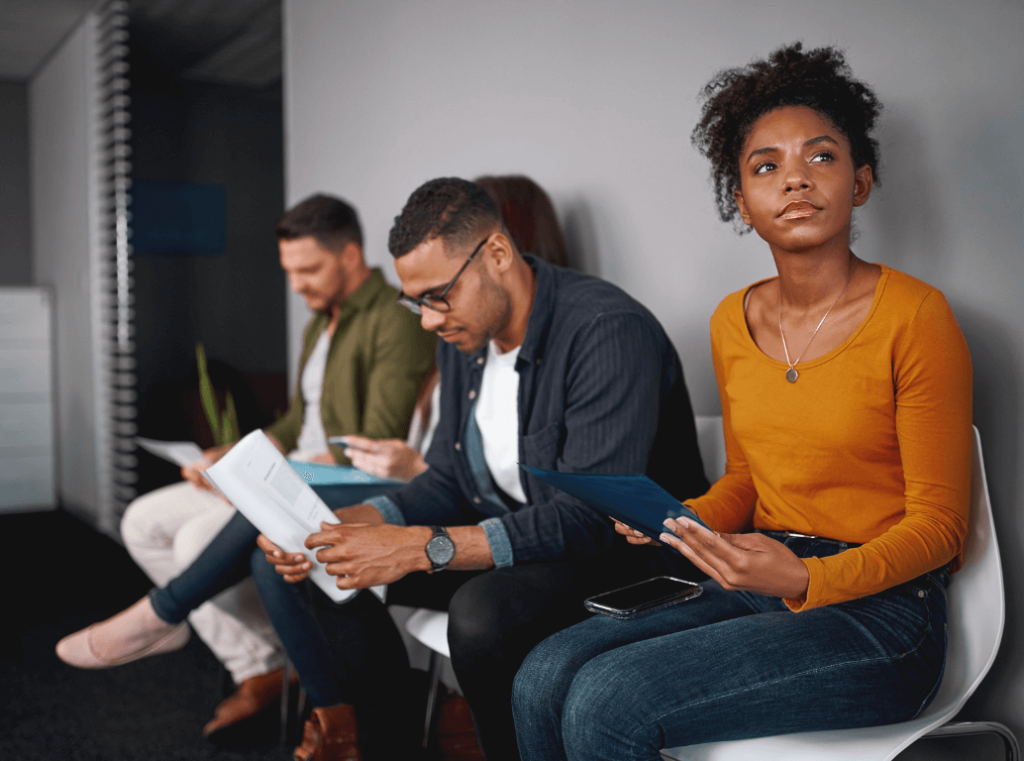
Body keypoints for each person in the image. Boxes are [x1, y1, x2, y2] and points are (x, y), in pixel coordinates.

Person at [511, 42, 973, 761]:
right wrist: (685, 522)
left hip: (884, 614)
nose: (795, 180)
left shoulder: (916, 316)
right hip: (759, 575)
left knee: (609, 700)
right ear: (741, 200)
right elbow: (748, 480)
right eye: (767, 167)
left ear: (861, 181)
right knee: (541, 674)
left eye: (820, 157)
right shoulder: (732, 320)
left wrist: (808, 577)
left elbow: (942, 528)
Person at [258, 176, 709, 760]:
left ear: (497, 253)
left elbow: (589, 518)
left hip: (624, 558)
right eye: (415, 300)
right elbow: (447, 476)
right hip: (524, 544)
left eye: (437, 295)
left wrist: (421, 546)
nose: (426, 319)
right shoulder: (465, 334)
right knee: (317, 564)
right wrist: (355, 521)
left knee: (483, 612)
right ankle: (388, 745)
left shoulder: (605, 330)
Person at [55, 194, 437, 741]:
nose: (297, 285)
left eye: (308, 270)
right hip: (293, 468)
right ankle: (260, 664)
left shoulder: (392, 321)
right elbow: (297, 419)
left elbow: (374, 440)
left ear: (351, 256)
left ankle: (174, 621)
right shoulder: (319, 324)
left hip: (332, 481)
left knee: (192, 545)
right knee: (141, 521)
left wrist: (273, 471)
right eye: (290, 272)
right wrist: (231, 457)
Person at [343, 173, 570, 481]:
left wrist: (418, 472)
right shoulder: (461, 344)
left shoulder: (584, 339)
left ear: (500, 252)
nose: (428, 320)